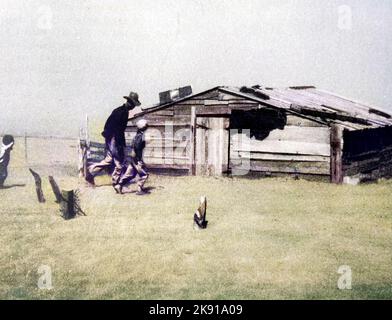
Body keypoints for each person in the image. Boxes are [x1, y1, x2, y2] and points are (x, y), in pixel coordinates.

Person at [85, 91, 141, 190]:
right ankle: (116, 183)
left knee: (109, 160)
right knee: (119, 162)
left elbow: (108, 125)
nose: (133, 107)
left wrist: (109, 138)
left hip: (111, 138)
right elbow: (118, 130)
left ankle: (90, 172)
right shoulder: (122, 112)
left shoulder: (119, 110)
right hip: (115, 139)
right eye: (132, 104)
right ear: (129, 102)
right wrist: (119, 145)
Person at [115, 119, 149, 195]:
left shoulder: (136, 136)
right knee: (144, 174)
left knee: (130, 174)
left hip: (133, 158)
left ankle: (119, 185)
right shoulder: (141, 136)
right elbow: (136, 147)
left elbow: (133, 146)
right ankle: (140, 189)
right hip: (137, 158)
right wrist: (138, 159)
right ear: (144, 127)